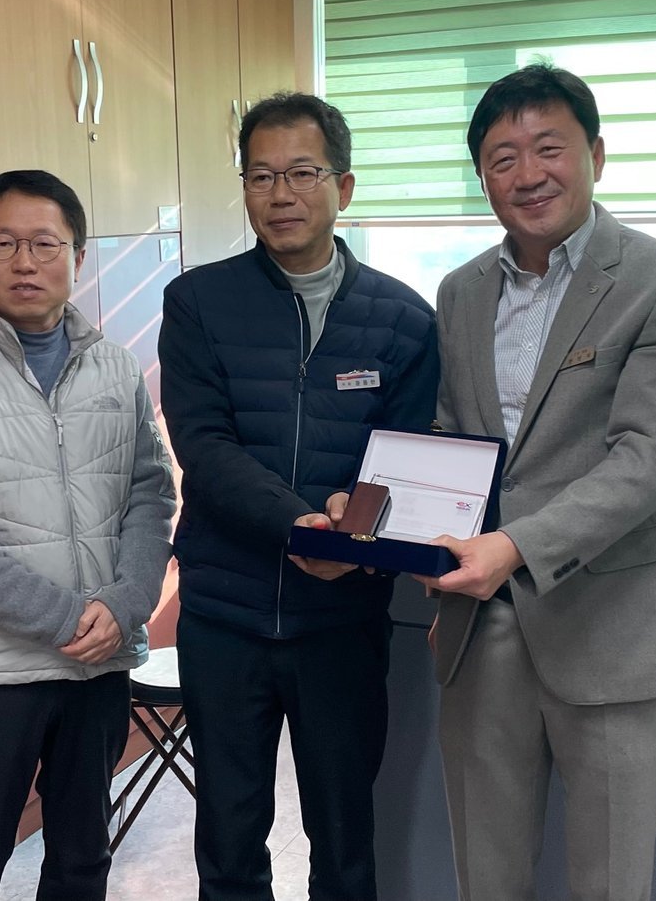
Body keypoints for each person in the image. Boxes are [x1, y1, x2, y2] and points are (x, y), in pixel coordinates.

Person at [423, 64, 656, 901]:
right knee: (486, 877)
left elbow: (649, 456)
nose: (527, 174)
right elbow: (456, 440)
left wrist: (512, 546)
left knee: (610, 883)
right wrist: (400, 527)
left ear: (595, 154)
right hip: (481, 628)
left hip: (614, 627)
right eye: (502, 157)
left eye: (548, 148)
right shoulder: (461, 291)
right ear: (482, 176)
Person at [158, 91, 438, 901]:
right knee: (228, 837)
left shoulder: (404, 319)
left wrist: (353, 539)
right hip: (225, 616)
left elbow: (406, 458)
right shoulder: (199, 302)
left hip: (341, 622)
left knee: (345, 837)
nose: (280, 194)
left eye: (302, 173)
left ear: (342, 187)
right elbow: (204, 447)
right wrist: (302, 525)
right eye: (261, 176)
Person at [0, 169, 175, 901]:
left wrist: (126, 603)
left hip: (99, 664)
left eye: (45, 244)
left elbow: (150, 491)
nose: (25, 262)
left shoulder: (114, 364)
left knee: (83, 856)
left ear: (76, 256)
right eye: (4, 243)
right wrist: (63, 618)